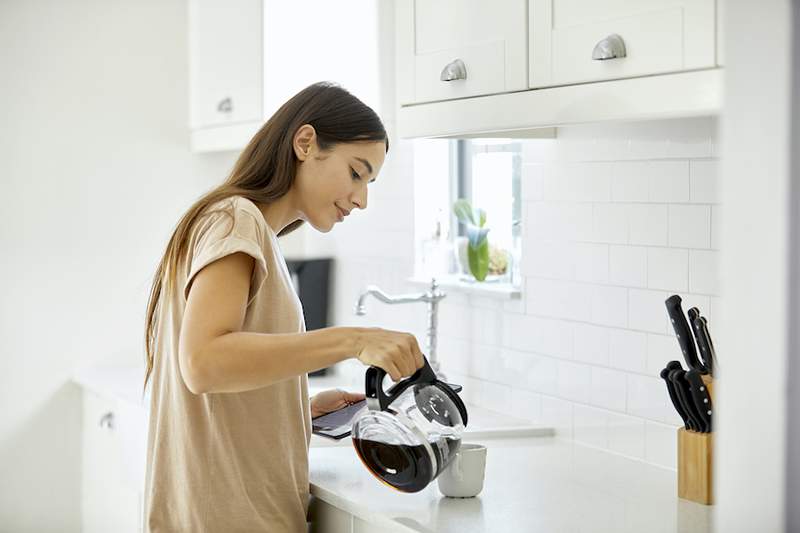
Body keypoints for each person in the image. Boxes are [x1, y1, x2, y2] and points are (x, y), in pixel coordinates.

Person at [141, 81, 424, 532]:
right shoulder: (236, 221)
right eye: (356, 172)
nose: (362, 199)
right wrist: (353, 340)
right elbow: (203, 363)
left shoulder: (243, 228)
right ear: (306, 143)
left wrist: (296, 407)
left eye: (369, 182)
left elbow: (218, 380)